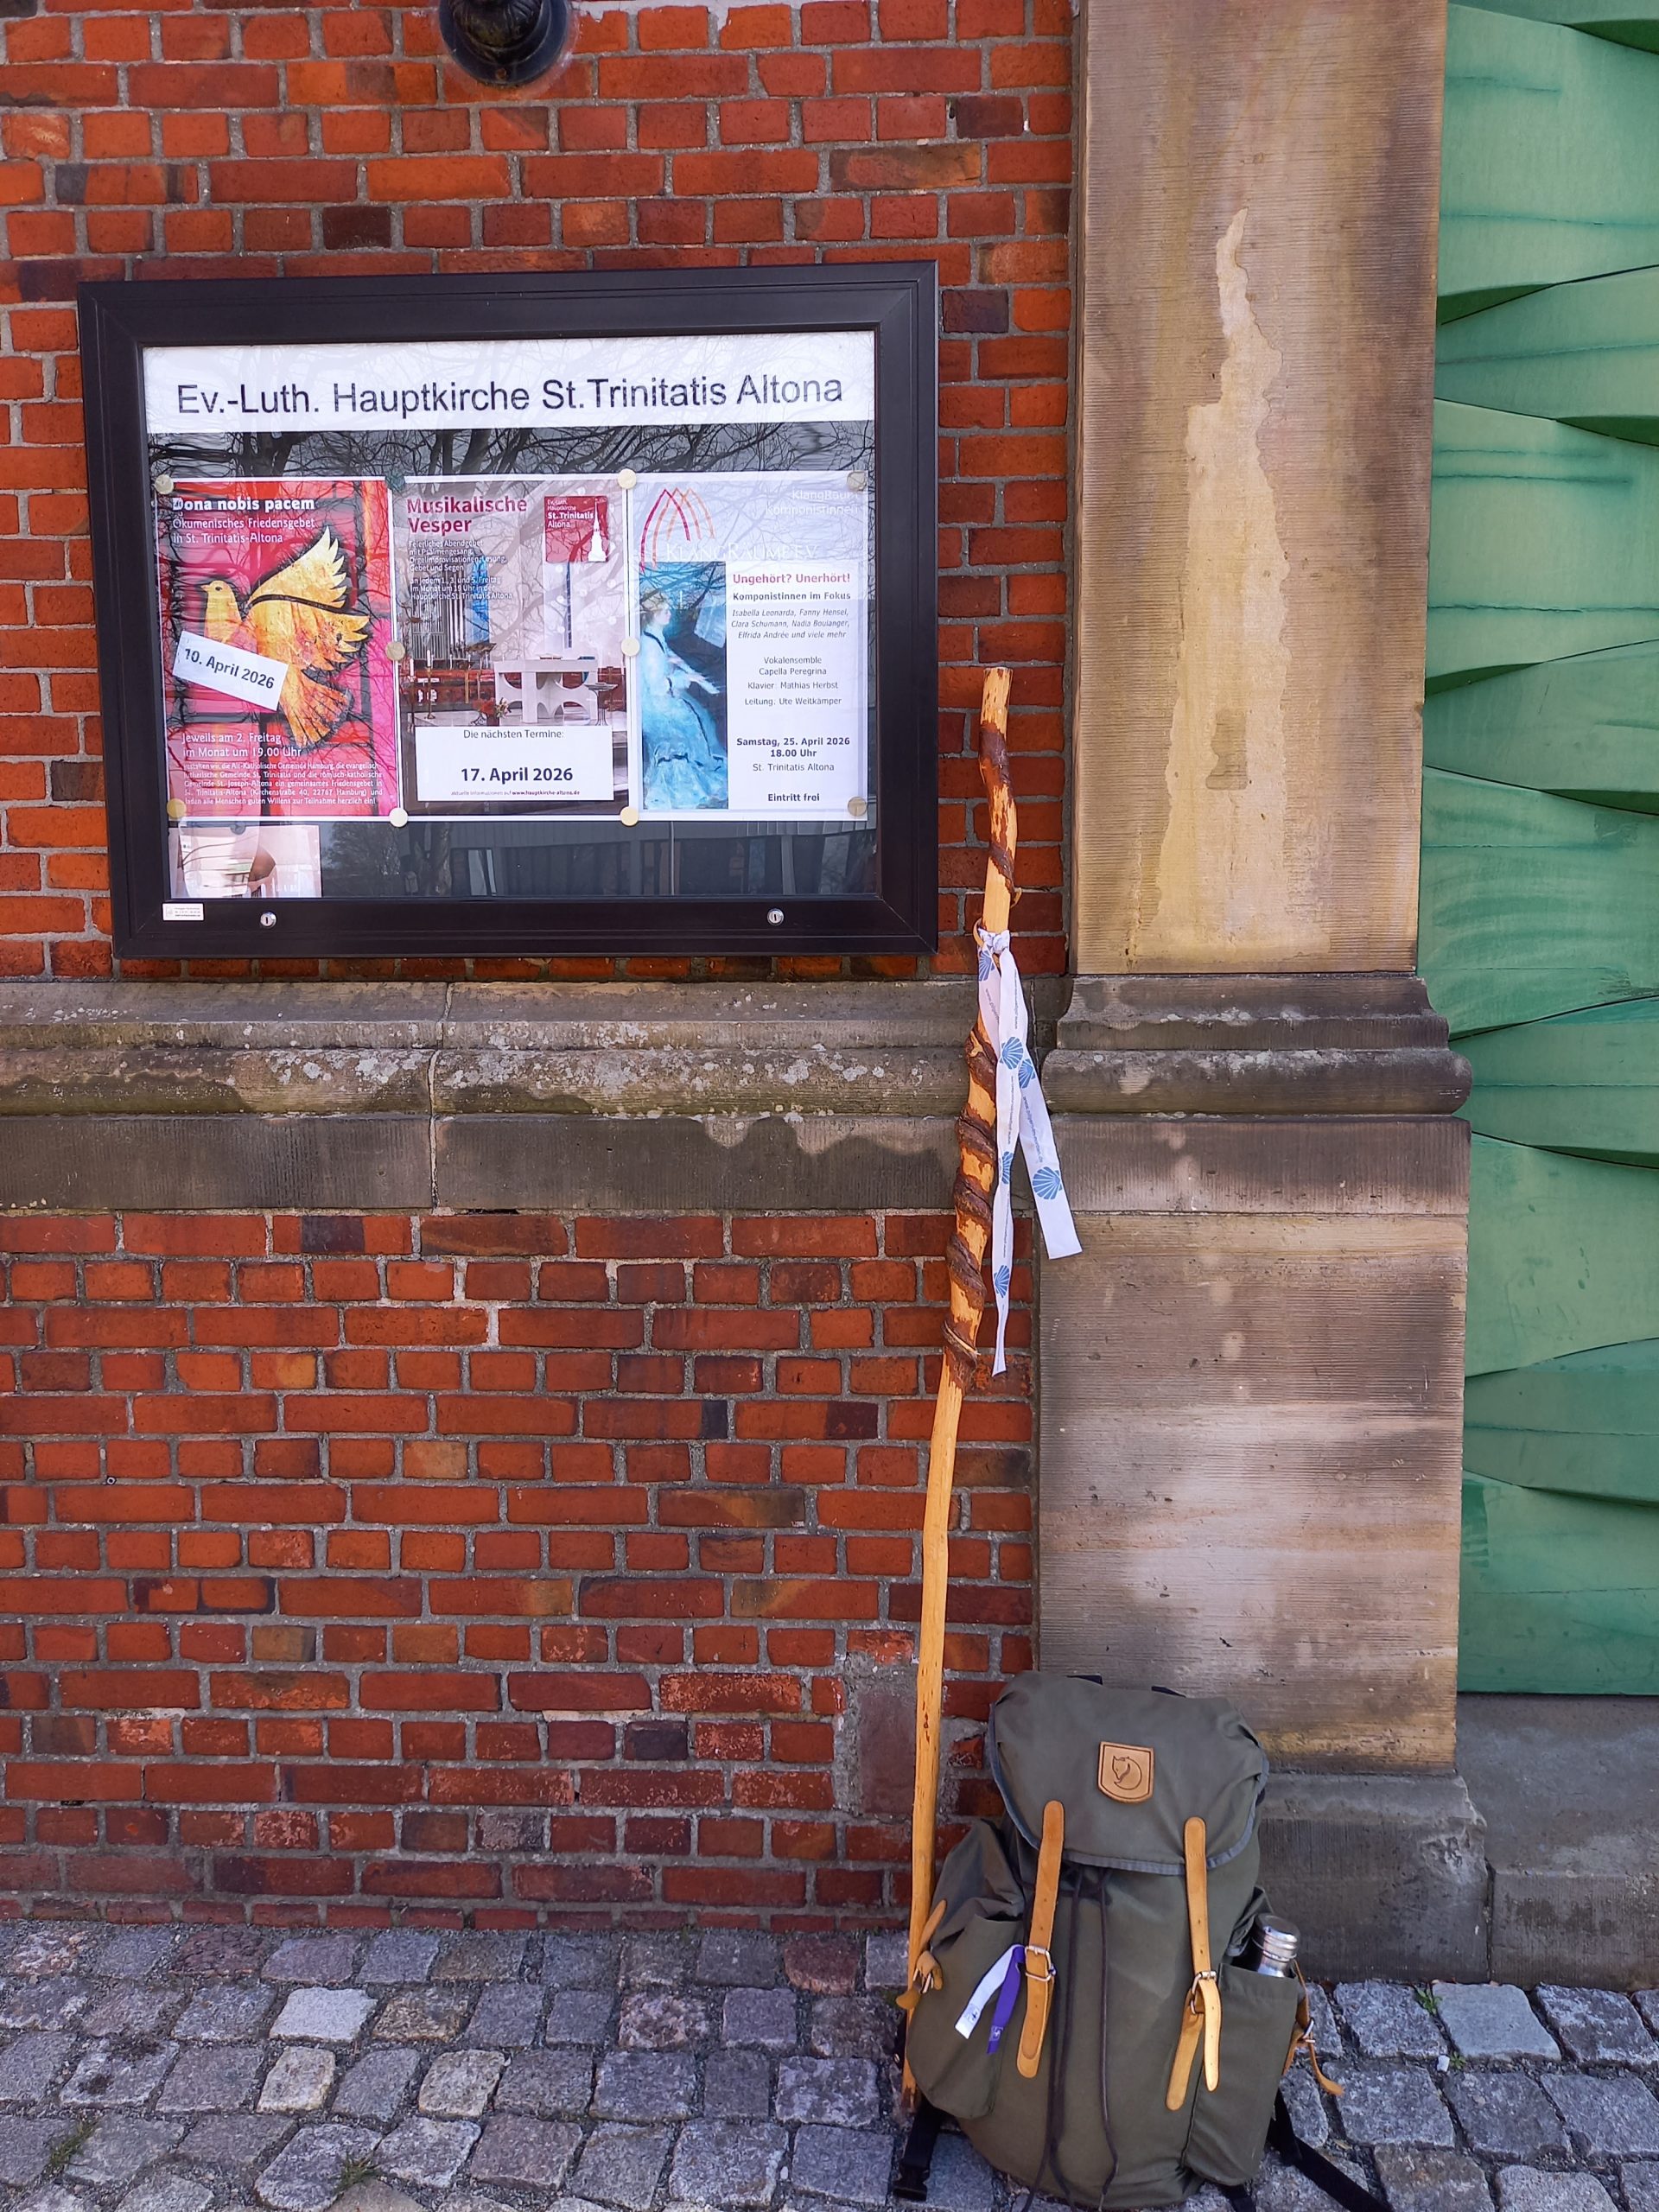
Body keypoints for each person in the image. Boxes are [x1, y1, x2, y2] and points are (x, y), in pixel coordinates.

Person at [638, 585, 726, 810]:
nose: (670, 613)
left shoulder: (655, 636)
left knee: (699, 717)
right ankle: (683, 786)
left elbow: (666, 656)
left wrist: (679, 665)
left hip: (661, 700)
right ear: (654, 615)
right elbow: (658, 687)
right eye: (665, 611)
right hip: (657, 706)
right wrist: (683, 678)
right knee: (690, 723)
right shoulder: (649, 646)